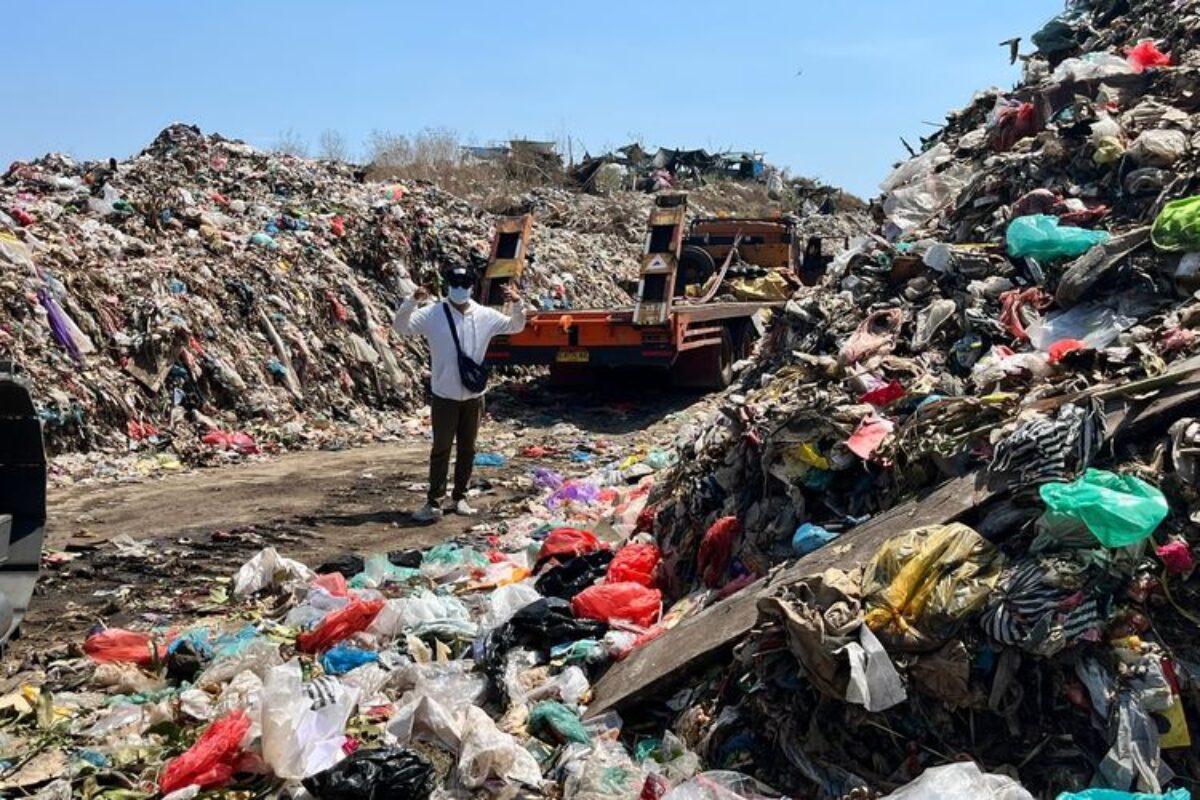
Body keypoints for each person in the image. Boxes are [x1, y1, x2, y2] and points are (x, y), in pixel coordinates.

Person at [394, 266, 526, 522]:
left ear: (471, 287)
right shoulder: (433, 313)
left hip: (474, 396)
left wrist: (518, 302)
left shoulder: (484, 315)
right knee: (441, 448)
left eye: (464, 283)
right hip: (444, 394)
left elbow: (515, 326)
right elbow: (401, 327)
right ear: (448, 285)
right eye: (455, 282)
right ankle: (434, 502)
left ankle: (460, 498)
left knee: (468, 449)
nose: (459, 288)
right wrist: (412, 300)